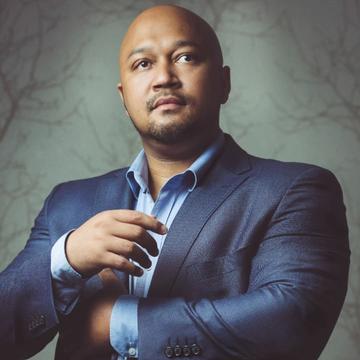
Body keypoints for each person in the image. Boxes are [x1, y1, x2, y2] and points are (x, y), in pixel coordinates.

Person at [0, 4, 350, 360]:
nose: (164, 76)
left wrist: (118, 322)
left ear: (223, 83)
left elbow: (294, 320)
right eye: (143, 64)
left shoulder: (295, 190)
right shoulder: (67, 204)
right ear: (123, 98)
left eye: (185, 57)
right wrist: (66, 259)